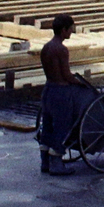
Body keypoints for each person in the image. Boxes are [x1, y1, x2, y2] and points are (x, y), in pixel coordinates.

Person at [36, 14, 84, 174]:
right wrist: (80, 83)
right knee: (62, 127)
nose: (72, 32)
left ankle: (45, 162)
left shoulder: (47, 47)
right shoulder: (61, 49)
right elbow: (66, 75)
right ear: (64, 30)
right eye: (71, 29)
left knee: (47, 126)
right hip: (60, 92)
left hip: (48, 89)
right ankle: (56, 164)